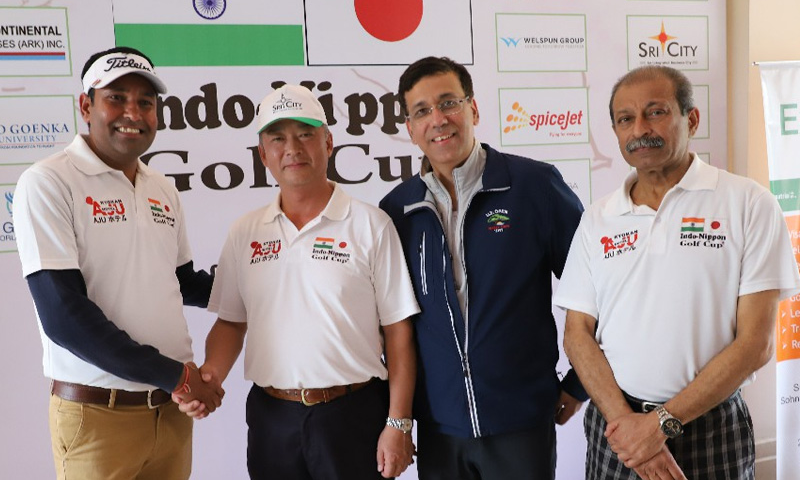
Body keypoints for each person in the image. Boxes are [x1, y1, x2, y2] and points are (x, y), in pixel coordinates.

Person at [554, 65, 800, 480]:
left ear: (692, 119)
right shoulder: (597, 218)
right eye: (625, 119)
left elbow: (756, 344)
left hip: (711, 429)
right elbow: (577, 334)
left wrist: (660, 425)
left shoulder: (749, 204)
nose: (640, 129)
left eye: (656, 112)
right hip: (617, 429)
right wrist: (631, 429)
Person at [179, 84, 420, 479]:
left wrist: (399, 422)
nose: (292, 148)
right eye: (278, 138)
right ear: (263, 155)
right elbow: (231, 322)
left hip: (353, 413)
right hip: (271, 418)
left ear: (328, 143)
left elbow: (398, 330)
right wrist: (210, 378)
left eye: (305, 134)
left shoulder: (370, 225)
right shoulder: (245, 231)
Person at [13, 46, 224, 480]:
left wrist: (263, 282)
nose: (133, 112)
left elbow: (183, 283)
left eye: (145, 102)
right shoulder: (49, 182)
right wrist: (177, 377)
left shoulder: (161, 186)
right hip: (98, 416)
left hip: (171, 414)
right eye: (116, 98)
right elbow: (64, 317)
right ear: (86, 106)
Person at [379, 56, 587, 480]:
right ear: (411, 129)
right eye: (422, 111)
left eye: (448, 103)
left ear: (473, 109)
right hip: (439, 428)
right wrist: (399, 419)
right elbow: (393, 325)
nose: (438, 119)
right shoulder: (397, 210)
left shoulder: (535, 186)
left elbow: (597, 285)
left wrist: (580, 382)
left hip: (521, 422)